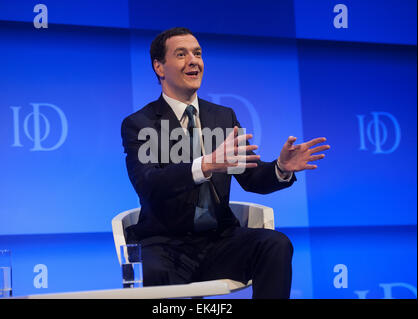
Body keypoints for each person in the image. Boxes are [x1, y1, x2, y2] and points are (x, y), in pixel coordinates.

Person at [121, 27, 330, 299]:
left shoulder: (223, 116)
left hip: (219, 241)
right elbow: (148, 184)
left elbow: (252, 178)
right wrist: (205, 165)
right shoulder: (140, 123)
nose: (193, 60)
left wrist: (280, 168)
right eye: (181, 54)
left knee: (275, 244)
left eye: (197, 53)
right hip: (165, 245)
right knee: (153, 273)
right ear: (159, 67)